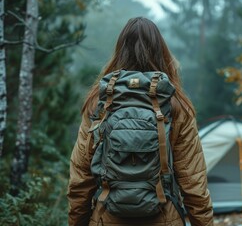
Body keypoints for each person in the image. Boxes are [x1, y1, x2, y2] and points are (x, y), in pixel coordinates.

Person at [67, 17, 214, 226]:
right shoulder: (175, 105)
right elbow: (194, 184)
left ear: (120, 50)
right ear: (161, 51)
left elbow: (80, 179)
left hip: (106, 218)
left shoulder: (98, 104)